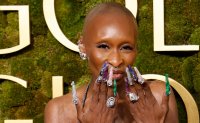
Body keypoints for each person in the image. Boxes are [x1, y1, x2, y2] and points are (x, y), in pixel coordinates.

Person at [44, 2, 179, 123]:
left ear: (136, 50)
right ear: (83, 46)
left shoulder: (159, 97)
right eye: (103, 46)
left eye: (126, 48)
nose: (116, 61)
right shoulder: (60, 111)